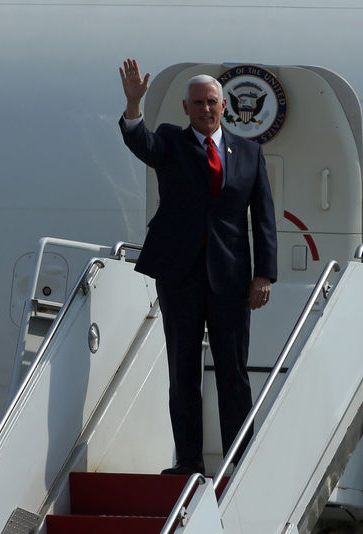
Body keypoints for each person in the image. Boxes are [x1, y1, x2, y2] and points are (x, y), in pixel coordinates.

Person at [118, 58, 278, 475]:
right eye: (197, 103)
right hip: (180, 275)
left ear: (223, 106)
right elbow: (141, 144)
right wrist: (134, 106)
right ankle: (188, 462)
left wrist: (264, 274)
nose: (206, 109)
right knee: (183, 371)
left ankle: (240, 460)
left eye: (212, 102)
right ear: (186, 109)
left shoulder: (248, 152)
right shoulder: (171, 142)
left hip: (230, 278)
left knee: (233, 373)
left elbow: (262, 218)